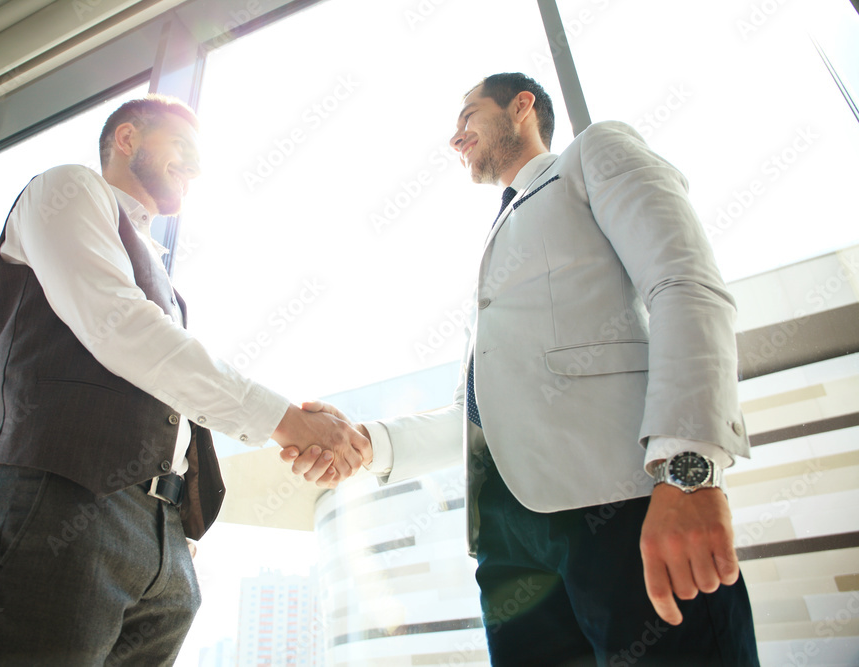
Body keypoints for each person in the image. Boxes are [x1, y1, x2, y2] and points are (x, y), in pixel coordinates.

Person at [284, 73, 759, 666]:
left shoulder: (593, 156)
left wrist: (688, 472)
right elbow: (472, 414)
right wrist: (365, 443)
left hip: (619, 507)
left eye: (468, 116)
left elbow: (683, 285)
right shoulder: (493, 249)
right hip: (507, 551)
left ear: (522, 107)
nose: (456, 139)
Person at [0, 94, 370, 666]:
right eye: (182, 150)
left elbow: (168, 386)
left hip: (163, 543)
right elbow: (121, 328)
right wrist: (290, 422)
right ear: (126, 138)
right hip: (58, 505)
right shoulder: (67, 187)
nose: (193, 169)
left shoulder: (158, 267)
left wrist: (177, 536)